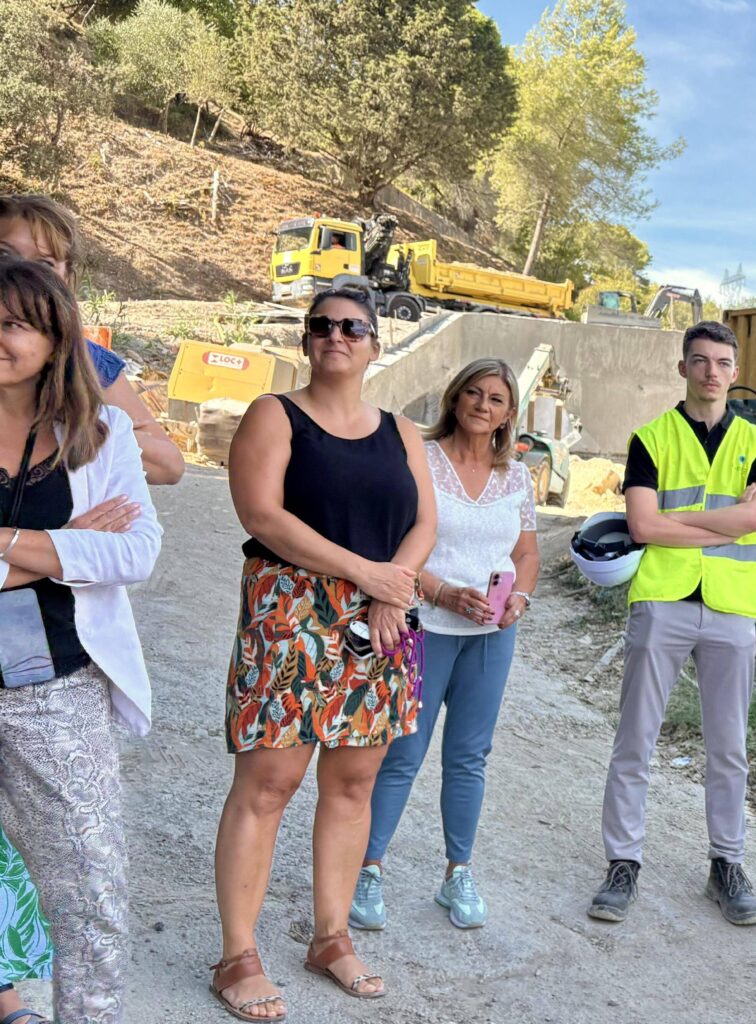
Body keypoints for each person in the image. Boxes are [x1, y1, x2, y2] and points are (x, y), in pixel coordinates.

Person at [210, 287, 433, 1020]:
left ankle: (330, 936)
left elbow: (426, 522)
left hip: (381, 619)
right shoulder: (276, 415)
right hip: (291, 609)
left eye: (352, 327)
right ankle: (237, 954)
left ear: (374, 342)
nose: (336, 336)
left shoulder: (400, 431)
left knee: (353, 783)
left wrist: (391, 588)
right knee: (270, 781)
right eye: (322, 326)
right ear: (308, 341)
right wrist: (364, 573)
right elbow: (261, 514)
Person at [0, 258, 162, 1024]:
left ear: (56, 335)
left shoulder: (103, 434)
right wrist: (58, 542)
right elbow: (90, 554)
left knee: (91, 891)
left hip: (54, 691)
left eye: (12, 325)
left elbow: (134, 553)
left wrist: (12, 541)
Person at [593, 321, 756, 928]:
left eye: (722, 362)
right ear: (683, 368)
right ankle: (623, 862)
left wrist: (689, 522)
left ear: (734, 370)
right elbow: (643, 526)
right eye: (699, 361)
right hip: (664, 600)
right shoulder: (651, 438)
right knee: (636, 738)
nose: (711, 372)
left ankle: (727, 863)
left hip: (731, 606)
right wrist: (721, 520)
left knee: (729, 747)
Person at [353, 358, 540, 932]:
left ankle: (457, 871)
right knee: (402, 754)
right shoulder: (423, 461)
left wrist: (520, 599)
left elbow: (527, 555)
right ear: (456, 399)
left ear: (510, 415)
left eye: (497, 400)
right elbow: (398, 540)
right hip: (425, 626)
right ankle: (367, 869)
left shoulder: (519, 477)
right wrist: (440, 593)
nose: (484, 406)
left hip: (489, 638)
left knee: (468, 758)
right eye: (475, 394)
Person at [0, 195, 185, 486]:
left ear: (67, 279)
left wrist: (74, 419)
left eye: (45, 264)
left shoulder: (87, 359)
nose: (22, 273)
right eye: (5, 255)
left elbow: (168, 466)